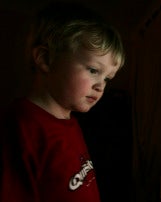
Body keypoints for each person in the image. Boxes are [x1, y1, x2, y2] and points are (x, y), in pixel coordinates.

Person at [0, 2, 125, 202]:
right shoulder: (20, 126)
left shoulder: (71, 121)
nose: (101, 86)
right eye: (93, 70)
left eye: (107, 78)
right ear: (46, 59)